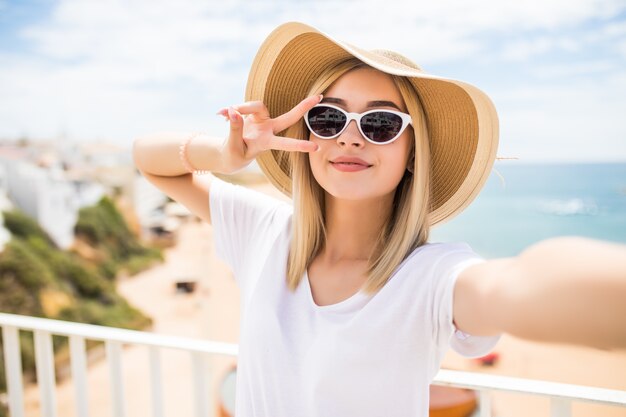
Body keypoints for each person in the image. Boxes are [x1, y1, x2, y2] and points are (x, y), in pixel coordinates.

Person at [133, 21, 626, 417]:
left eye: (381, 123)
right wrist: (224, 152)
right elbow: (148, 158)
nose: (350, 137)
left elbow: (520, 285)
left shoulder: (430, 279)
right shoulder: (263, 231)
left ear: (413, 153)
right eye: (328, 118)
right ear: (309, 135)